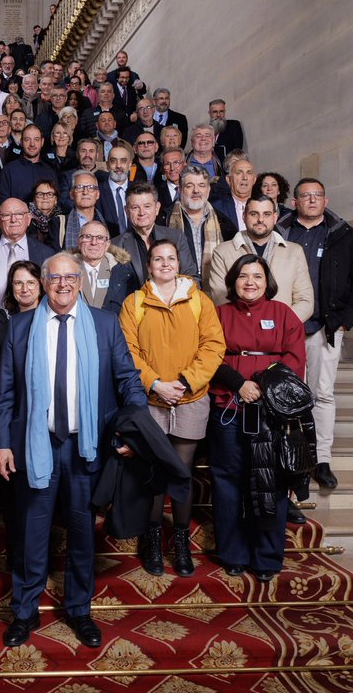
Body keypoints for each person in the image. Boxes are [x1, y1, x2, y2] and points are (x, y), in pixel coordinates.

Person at [0, 253, 146, 648]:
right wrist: (2, 443)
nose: (63, 284)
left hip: (85, 448)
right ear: (44, 283)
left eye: (70, 277)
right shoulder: (21, 327)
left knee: (81, 535)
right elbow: (5, 393)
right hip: (36, 446)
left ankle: (79, 611)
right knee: (32, 535)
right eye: (54, 277)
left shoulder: (105, 325)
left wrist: (134, 430)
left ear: (80, 281)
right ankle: (24, 613)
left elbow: (129, 380)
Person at [119, 240, 225, 577]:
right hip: (150, 401)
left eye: (170, 258)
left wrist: (185, 381)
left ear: (179, 263)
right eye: (157, 259)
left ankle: (180, 541)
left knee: (182, 471)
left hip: (190, 397)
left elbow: (213, 346)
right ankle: (151, 539)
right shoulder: (134, 303)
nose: (164, 264)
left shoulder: (199, 301)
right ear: (148, 265)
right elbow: (127, 352)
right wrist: (155, 383)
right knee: (154, 473)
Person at [208, 255, 306, 582]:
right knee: (228, 482)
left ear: (267, 282)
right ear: (233, 281)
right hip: (229, 408)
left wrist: (263, 388)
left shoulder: (284, 315)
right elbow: (209, 356)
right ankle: (232, 553)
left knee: (271, 483)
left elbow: (294, 359)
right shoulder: (218, 315)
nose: (250, 282)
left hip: (271, 413)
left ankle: (266, 556)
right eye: (244, 276)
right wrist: (240, 384)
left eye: (257, 276)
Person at [278, 178, 353, 490]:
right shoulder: (281, 232)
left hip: (324, 327)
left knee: (322, 394)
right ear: (294, 202)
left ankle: (321, 460)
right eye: (305, 195)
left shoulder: (343, 234)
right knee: (287, 395)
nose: (312, 200)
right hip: (285, 327)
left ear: (326, 200)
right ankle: (293, 460)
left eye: (317, 195)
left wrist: (347, 319)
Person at [209, 195, 314, 323]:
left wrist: (282, 325)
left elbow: (305, 300)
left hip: (283, 333)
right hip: (240, 331)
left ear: (275, 218)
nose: (260, 219)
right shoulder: (223, 251)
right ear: (244, 216)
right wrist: (249, 326)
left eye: (267, 214)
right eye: (254, 214)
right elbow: (220, 297)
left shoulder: (294, 251)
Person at [0, 198, 56, 311]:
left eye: (19, 214)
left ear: (28, 219)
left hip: (31, 322)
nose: (13, 219)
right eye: (6, 215)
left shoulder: (46, 254)